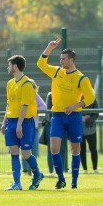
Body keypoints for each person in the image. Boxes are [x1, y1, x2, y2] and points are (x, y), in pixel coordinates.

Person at [37, 39, 95, 189]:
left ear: (71, 60)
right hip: (57, 116)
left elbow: (90, 98)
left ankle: (74, 182)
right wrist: (49, 48)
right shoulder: (57, 72)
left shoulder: (81, 78)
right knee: (54, 148)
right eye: (60, 59)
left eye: (63, 59)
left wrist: (75, 105)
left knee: (75, 149)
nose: (60, 61)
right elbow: (41, 64)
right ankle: (61, 179)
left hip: (74, 117)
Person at [1, 55, 43, 191]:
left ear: (15, 66)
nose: (7, 68)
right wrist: (4, 122)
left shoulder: (27, 84)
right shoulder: (10, 83)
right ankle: (17, 183)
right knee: (13, 151)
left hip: (24, 122)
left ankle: (37, 174)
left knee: (25, 153)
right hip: (11, 121)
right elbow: (8, 104)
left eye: (9, 65)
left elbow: (25, 106)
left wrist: (19, 124)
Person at [21, 79, 46, 175]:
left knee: (34, 150)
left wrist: (32, 110)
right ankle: (25, 170)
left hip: (34, 127)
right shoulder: (22, 96)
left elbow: (44, 107)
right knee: (24, 150)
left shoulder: (35, 96)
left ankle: (33, 170)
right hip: (23, 127)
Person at [43, 92, 67, 174]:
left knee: (62, 148)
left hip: (63, 124)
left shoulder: (66, 94)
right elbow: (49, 111)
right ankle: (51, 170)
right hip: (52, 124)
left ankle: (62, 169)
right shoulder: (51, 95)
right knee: (52, 148)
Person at [81, 98, 99, 174]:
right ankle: (85, 169)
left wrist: (88, 119)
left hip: (91, 129)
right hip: (80, 129)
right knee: (82, 150)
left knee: (93, 149)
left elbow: (96, 114)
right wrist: (81, 118)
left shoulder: (93, 99)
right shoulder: (76, 98)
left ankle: (95, 168)